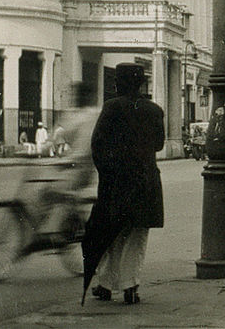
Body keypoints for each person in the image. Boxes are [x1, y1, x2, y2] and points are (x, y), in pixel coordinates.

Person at [82, 63, 165, 306]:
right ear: (141, 84)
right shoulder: (154, 110)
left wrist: (106, 172)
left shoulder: (111, 107)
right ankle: (131, 287)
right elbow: (159, 144)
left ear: (118, 83)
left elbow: (97, 143)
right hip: (146, 180)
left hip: (116, 180)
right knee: (137, 235)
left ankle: (106, 285)